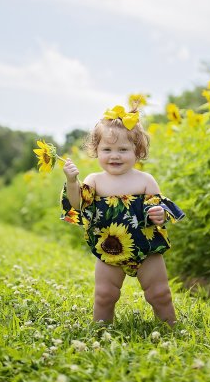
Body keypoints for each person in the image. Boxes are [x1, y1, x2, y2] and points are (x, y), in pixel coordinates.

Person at [60, 105, 185, 327]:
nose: (114, 156)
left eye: (123, 150)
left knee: (159, 293)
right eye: (107, 150)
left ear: (138, 151)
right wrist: (72, 182)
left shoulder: (145, 180)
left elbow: (158, 209)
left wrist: (159, 215)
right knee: (105, 295)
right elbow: (77, 204)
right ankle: (101, 330)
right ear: (96, 151)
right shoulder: (95, 180)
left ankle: (171, 328)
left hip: (147, 249)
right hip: (108, 248)